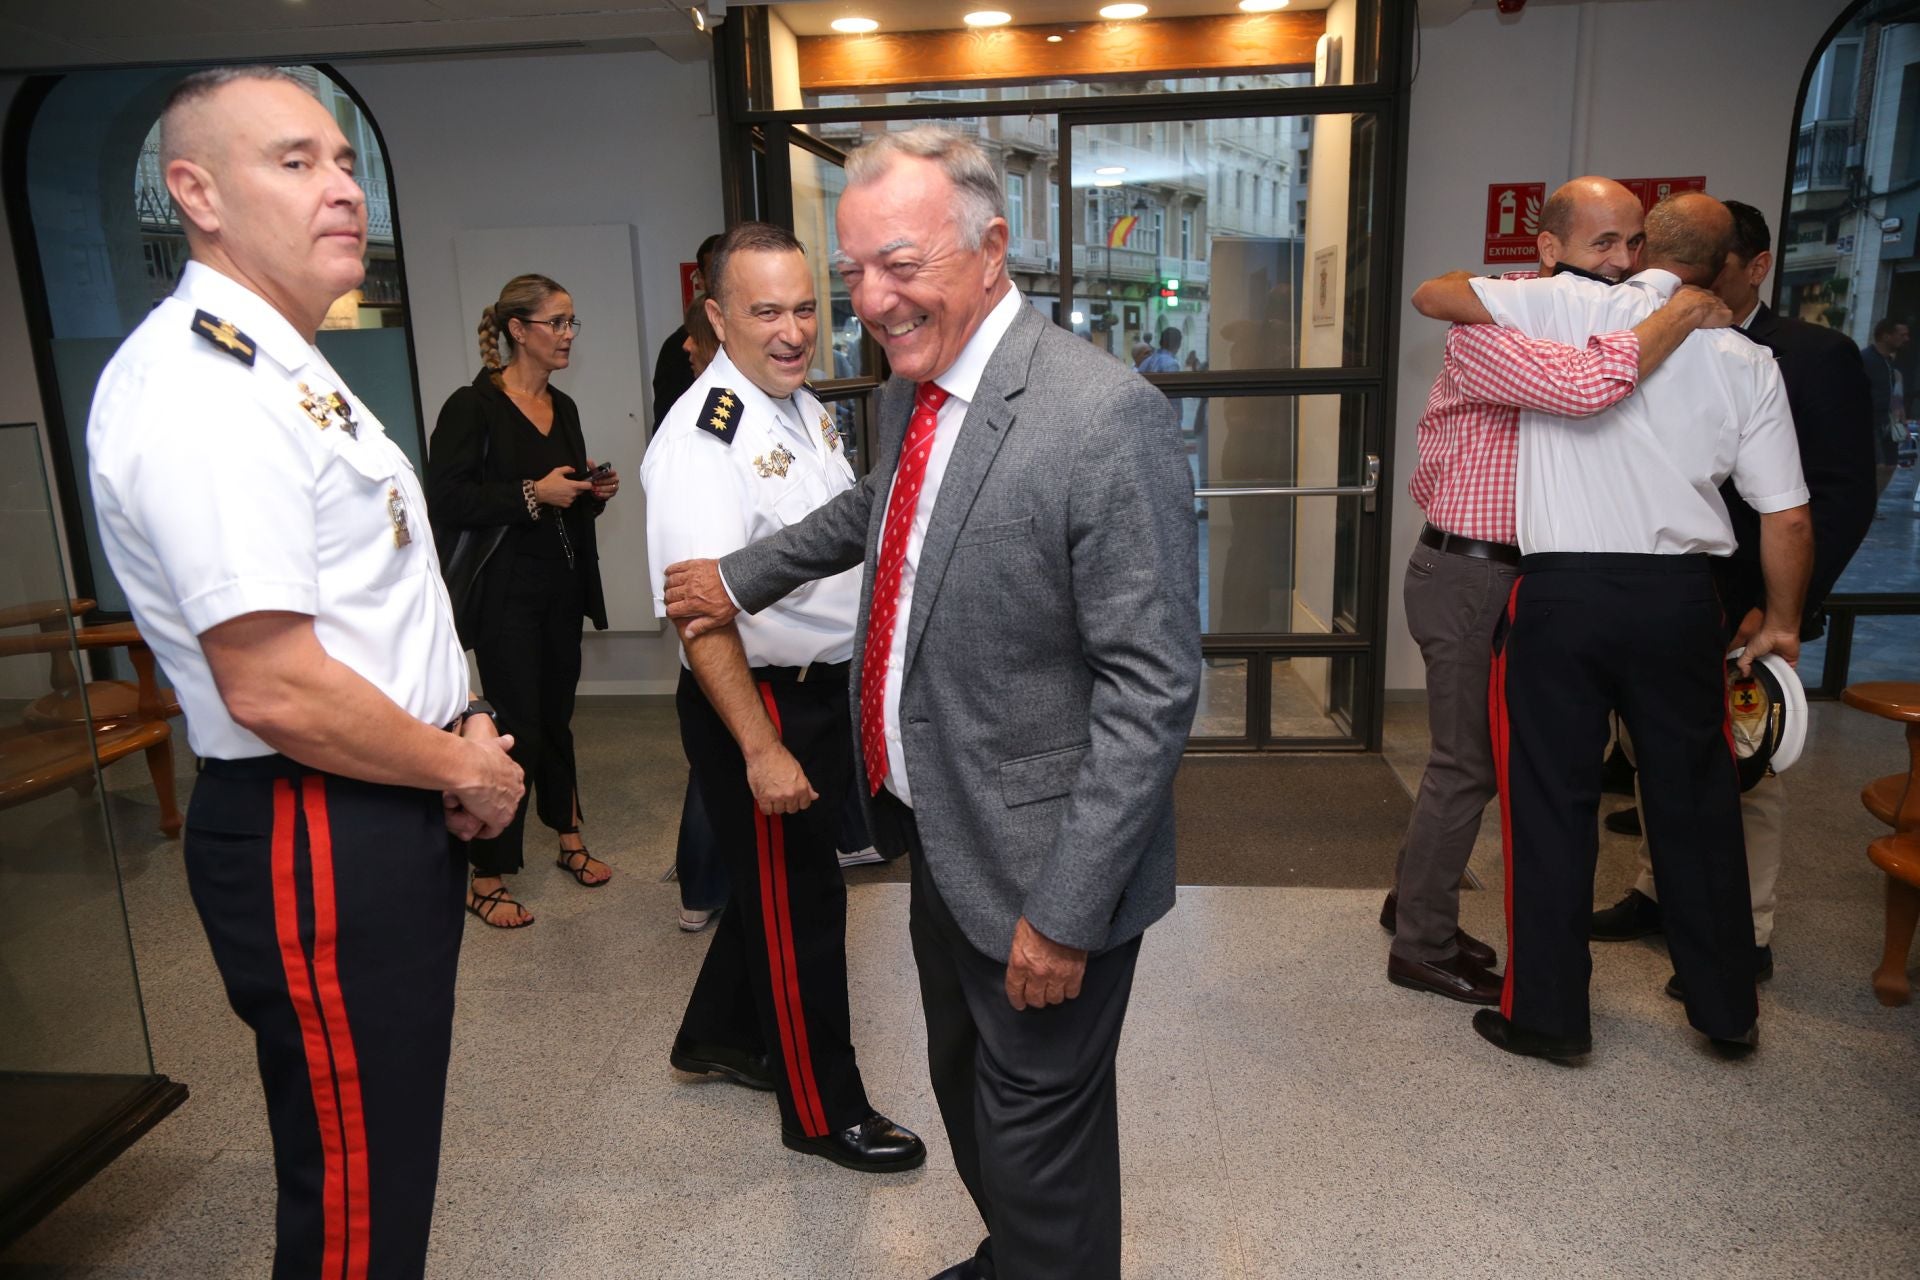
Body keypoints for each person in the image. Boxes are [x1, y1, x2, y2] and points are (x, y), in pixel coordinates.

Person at [664, 127, 1200, 1280]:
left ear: (992, 247)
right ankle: (1018, 1253)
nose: (869, 300)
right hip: (943, 831)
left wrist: (1064, 910)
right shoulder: (922, 391)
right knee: (974, 1092)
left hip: (1045, 866)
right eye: (854, 270)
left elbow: (1152, 688)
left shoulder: (1100, 417)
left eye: (898, 263)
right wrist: (737, 573)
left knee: (1033, 1127)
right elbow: (876, 510)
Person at [86, 66, 524, 1276]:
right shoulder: (202, 386)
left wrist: (468, 715)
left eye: (343, 161)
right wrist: (467, 768)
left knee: (385, 1165)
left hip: (380, 787)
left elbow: (380, 598)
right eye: (295, 163)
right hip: (315, 817)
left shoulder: (290, 363)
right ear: (196, 193)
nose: (342, 189)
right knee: (353, 1191)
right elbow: (271, 683)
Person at [1419, 192, 1813, 1061]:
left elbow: (1437, 293)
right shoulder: (1746, 358)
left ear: (1641, 252)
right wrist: (1783, 621)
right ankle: (1726, 1012)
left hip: (1561, 593)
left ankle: (1549, 1018)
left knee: (1549, 805)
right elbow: (1785, 516)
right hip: (1679, 601)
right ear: (1722, 269)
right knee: (1698, 803)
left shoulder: (1567, 304)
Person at [1390, 176, 1733, 1005]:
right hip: (1471, 571)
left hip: (1520, 575)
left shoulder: (1593, 318)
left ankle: (1415, 900)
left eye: (1632, 245)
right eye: (1600, 244)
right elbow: (1586, 389)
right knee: (1467, 767)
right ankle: (1421, 942)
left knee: (1483, 764)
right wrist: (1683, 312)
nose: (1620, 264)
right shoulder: (1491, 324)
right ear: (1546, 251)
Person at [641, 221, 925, 1174]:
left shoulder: (796, 407)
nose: (794, 329)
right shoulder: (702, 440)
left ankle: (719, 1035)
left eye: (805, 306)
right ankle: (822, 1110)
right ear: (717, 318)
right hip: (757, 704)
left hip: (820, 692)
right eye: (765, 311)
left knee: (774, 895)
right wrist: (762, 749)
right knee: (801, 910)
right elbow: (704, 616)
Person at [1591, 199, 1878, 993]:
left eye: (1706, 266)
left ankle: (1744, 930)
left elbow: (1840, 497)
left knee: (1746, 770)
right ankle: (1657, 890)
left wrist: (1782, 608)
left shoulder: (1812, 356)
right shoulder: (1649, 335)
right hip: (1673, 596)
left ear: (1749, 266)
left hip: (1752, 604)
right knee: (1654, 757)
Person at [426, 274, 619, 928]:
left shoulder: (561, 407)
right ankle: (487, 873)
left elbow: (558, 493)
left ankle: (568, 836)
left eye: (571, 323)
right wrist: (532, 493)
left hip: (560, 586)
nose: (567, 334)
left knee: (558, 719)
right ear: (517, 330)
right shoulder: (472, 407)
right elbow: (447, 498)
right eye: (556, 323)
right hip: (505, 594)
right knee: (515, 730)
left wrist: (589, 490)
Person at [652, 233, 724, 431]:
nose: (689, 346)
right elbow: (667, 426)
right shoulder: (675, 349)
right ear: (700, 278)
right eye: (715, 272)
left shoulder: (754, 338)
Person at [1860, 316, 1908, 498]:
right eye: (1901, 334)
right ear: (1886, 336)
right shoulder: (1866, 359)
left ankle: (1872, 503)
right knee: (1876, 465)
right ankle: (1864, 503)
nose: (1906, 339)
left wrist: (1901, 419)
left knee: (1890, 465)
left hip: (1888, 421)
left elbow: (1896, 394)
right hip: (1869, 420)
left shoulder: (1889, 362)